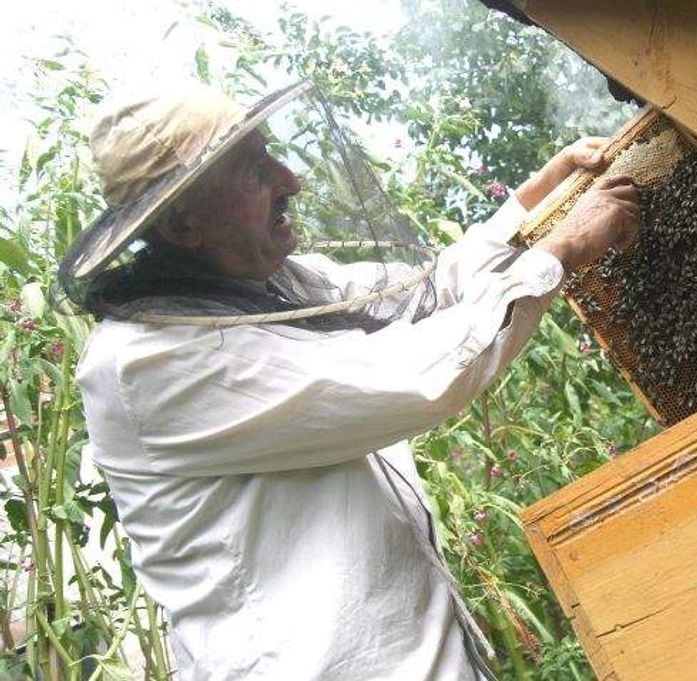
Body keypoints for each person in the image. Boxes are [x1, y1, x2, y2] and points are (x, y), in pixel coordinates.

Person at [65, 81, 640, 680]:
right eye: (255, 174)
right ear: (184, 226)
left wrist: (530, 206)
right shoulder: (148, 366)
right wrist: (562, 247)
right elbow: (421, 374)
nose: (290, 180)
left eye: (270, 155)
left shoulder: (278, 287)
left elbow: (422, 298)